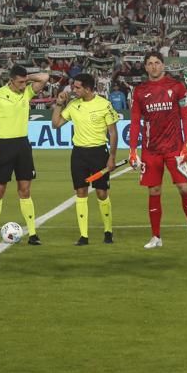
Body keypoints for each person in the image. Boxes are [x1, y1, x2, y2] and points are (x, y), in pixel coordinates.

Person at [128, 52, 187, 249]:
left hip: (174, 148)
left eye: (157, 63)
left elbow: (185, 117)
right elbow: (135, 122)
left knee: (184, 188)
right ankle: (156, 236)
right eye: (150, 63)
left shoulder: (177, 87)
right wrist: (132, 150)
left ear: (163, 65)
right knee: (154, 191)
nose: (154, 66)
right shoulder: (139, 91)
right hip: (151, 150)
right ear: (145, 67)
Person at [0, 65, 50, 245]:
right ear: (11, 80)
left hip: (22, 145)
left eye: (25, 82)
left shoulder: (27, 92)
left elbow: (44, 77)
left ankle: (32, 234)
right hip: (3, 146)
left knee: (25, 190)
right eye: (20, 82)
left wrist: (27, 77)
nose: (23, 85)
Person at [52, 73, 120, 245]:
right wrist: (59, 104)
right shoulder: (73, 105)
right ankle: (83, 236)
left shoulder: (104, 105)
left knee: (101, 193)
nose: (73, 90)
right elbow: (56, 124)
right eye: (73, 87)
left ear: (88, 89)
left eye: (77, 87)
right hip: (79, 154)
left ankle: (108, 231)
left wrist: (112, 157)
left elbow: (113, 133)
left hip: (99, 153)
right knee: (80, 192)